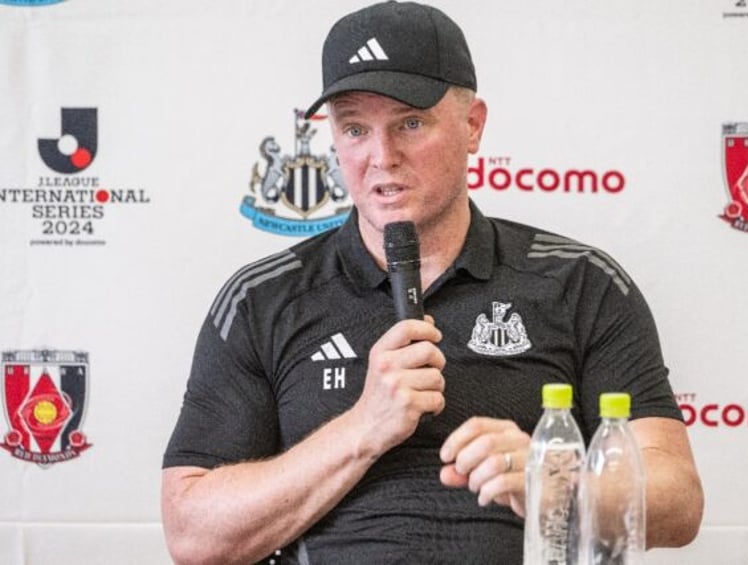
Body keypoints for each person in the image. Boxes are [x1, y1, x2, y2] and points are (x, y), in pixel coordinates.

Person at [161, 2, 704, 564]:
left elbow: (679, 501)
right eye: (353, 128)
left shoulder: (580, 283)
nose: (381, 157)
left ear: (473, 126)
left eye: (410, 123)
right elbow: (194, 535)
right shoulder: (264, 299)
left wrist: (555, 481)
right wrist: (362, 428)